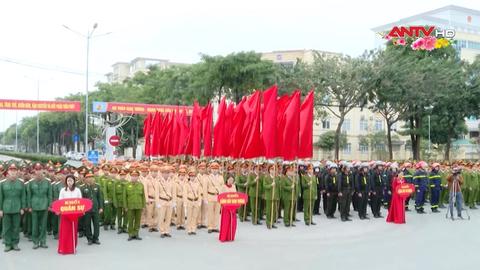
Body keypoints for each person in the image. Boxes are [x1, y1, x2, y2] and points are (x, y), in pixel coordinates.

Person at [0, 163, 26, 252]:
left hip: (17, 208)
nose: (13, 172)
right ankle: (8, 244)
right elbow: (1, 197)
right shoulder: (2, 183)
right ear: (8, 172)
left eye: (15, 170)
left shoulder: (21, 183)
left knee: (16, 227)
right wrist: (0, 209)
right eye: (11, 170)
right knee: (6, 227)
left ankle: (15, 243)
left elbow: (23, 196)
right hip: (6, 208)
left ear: (17, 172)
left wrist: (22, 207)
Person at [27, 163, 52, 249]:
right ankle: (35, 242)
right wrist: (29, 206)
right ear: (34, 171)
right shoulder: (31, 183)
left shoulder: (47, 182)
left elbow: (49, 194)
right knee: (35, 225)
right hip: (34, 206)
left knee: (43, 225)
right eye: (36, 169)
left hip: (44, 205)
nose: (38, 171)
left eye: (40, 169)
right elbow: (29, 196)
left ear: (43, 170)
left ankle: (43, 241)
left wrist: (49, 205)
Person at [57, 174, 82, 254]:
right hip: (65, 214)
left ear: (74, 181)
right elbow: (60, 201)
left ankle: (72, 248)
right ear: (66, 182)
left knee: (73, 231)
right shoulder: (63, 190)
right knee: (65, 231)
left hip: (74, 214)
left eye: (71, 180)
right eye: (68, 180)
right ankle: (63, 248)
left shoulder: (77, 190)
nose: (69, 182)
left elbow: (80, 201)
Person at [81, 170, 104, 245]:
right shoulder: (82, 187)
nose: (90, 179)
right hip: (87, 209)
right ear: (85, 179)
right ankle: (89, 239)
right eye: (88, 177)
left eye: (91, 177)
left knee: (96, 224)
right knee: (87, 224)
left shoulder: (97, 186)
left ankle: (96, 238)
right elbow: (81, 199)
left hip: (96, 208)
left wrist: (101, 207)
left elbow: (100, 198)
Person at [124, 170, 146, 241]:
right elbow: (125, 197)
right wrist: (125, 206)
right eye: (133, 176)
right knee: (130, 220)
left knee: (137, 220)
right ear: (131, 176)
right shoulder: (127, 185)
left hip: (139, 206)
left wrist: (143, 206)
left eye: (135, 176)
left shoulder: (141, 185)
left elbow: (143, 196)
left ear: (138, 177)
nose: (134, 177)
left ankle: (136, 233)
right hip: (130, 206)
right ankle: (130, 234)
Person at [156, 165, 176, 238]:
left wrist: (174, 202)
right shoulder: (158, 182)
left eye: (167, 173)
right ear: (162, 173)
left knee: (168, 217)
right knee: (161, 217)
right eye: (164, 172)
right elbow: (157, 193)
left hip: (169, 202)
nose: (166, 174)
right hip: (162, 201)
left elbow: (173, 193)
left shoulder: (172, 182)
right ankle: (162, 231)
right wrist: (157, 203)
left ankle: (167, 231)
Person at [205, 162, 224, 233]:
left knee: (217, 213)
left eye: (216, 169)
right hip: (210, 196)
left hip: (218, 196)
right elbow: (205, 188)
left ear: (218, 169)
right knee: (210, 212)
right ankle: (210, 226)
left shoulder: (221, 177)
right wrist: (205, 198)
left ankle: (215, 226)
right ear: (211, 169)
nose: (215, 170)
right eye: (213, 169)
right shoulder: (208, 177)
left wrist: (222, 195)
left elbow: (222, 187)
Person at [184, 167, 202, 235]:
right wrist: (185, 203)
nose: (192, 177)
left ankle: (193, 229)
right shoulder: (186, 184)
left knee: (195, 216)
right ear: (189, 176)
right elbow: (185, 194)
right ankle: (189, 229)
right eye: (191, 176)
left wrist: (199, 201)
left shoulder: (198, 184)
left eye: (193, 176)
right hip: (189, 201)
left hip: (196, 201)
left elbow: (199, 194)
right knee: (189, 216)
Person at [263, 164, 280, 229]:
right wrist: (271, 185)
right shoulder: (266, 177)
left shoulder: (276, 177)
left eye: (274, 169)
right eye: (271, 169)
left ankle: (272, 222)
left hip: (275, 196)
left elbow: (278, 186)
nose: (273, 171)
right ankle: (268, 223)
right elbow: (264, 186)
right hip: (269, 196)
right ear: (269, 170)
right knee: (269, 210)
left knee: (274, 210)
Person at [113, 169, 128, 234]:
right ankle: (119, 227)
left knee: (126, 215)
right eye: (121, 175)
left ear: (125, 175)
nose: (122, 176)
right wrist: (115, 202)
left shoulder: (128, 183)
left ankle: (125, 227)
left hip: (126, 202)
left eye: (124, 175)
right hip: (119, 201)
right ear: (119, 175)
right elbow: (114, 194)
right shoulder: (116, 183)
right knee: (119, 215)